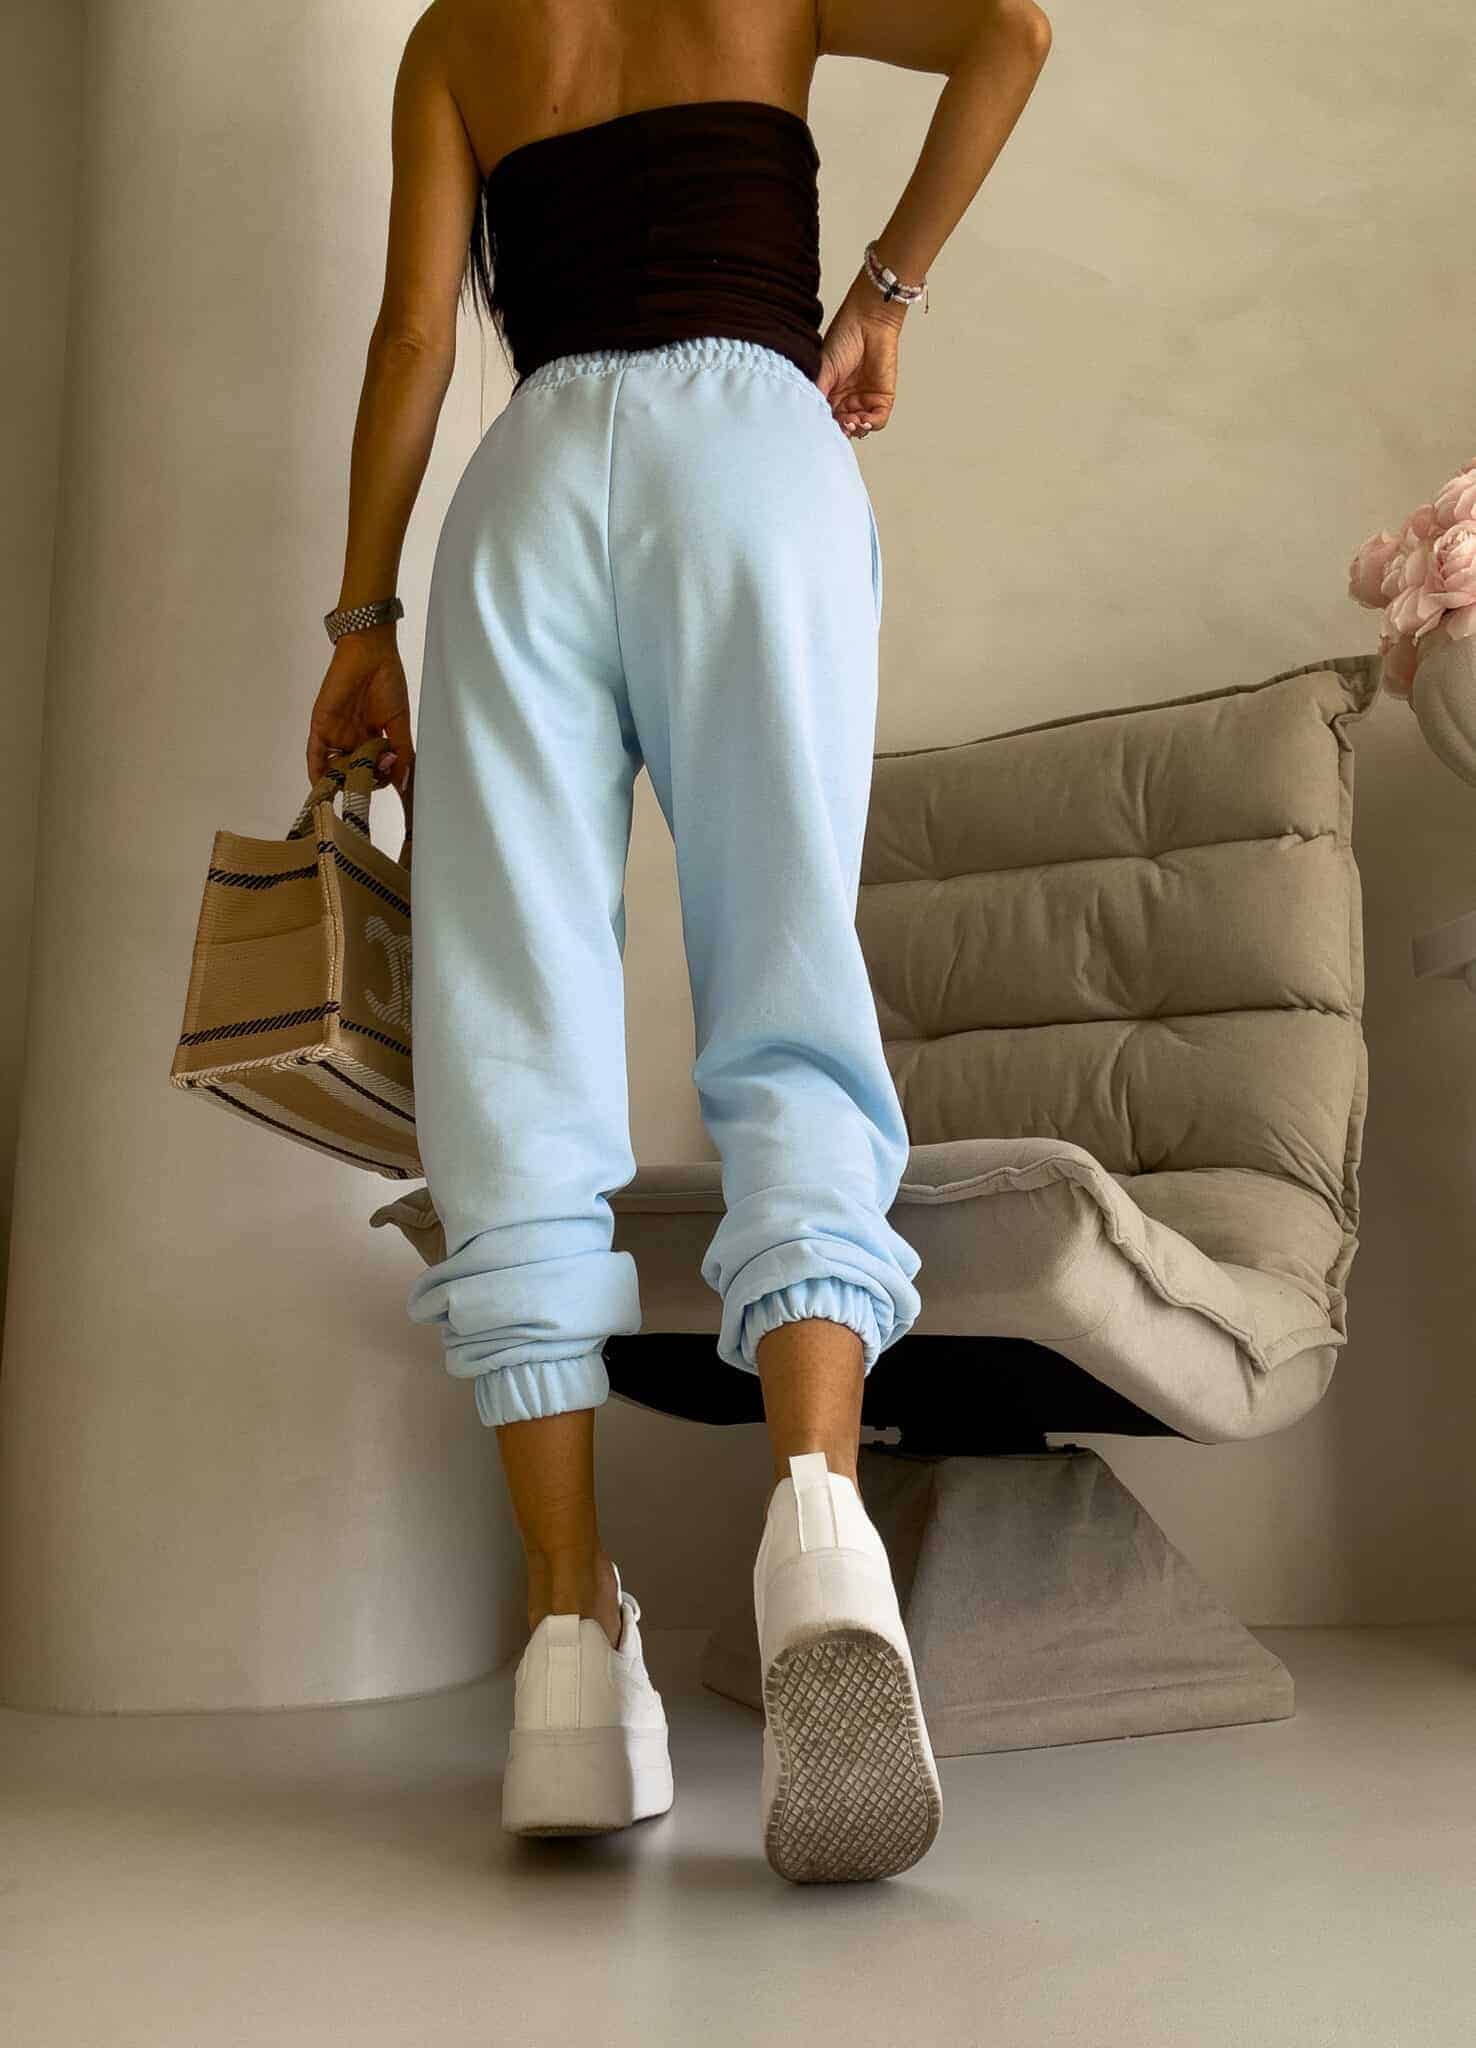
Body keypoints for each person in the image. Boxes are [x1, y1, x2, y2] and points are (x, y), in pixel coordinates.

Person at [307, 0, 1052, 1884]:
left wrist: (361, 619)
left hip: (530, 486)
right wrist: (885, 290)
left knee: (509, 1045)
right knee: (787, 993)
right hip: (751, 452)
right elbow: (1013, 28)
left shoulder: (454, 34)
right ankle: (820, 1529)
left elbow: (412, 337)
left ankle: (567, 1638)